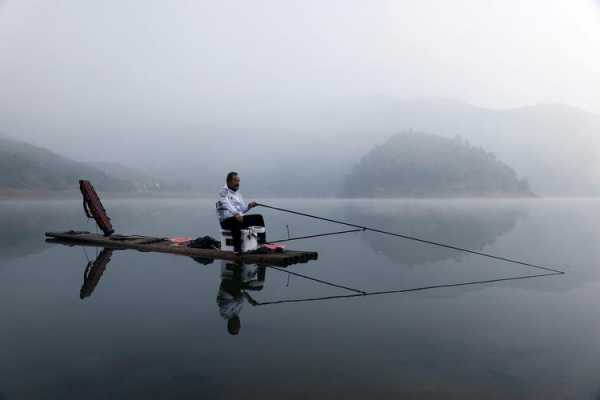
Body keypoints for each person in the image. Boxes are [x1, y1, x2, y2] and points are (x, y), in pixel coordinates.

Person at [216, 171, 266, 253]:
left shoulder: (238, 194)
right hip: (226, 221)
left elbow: (242, 210)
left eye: (238, 181)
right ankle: (237, 249)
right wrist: (236, 213)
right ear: (228, 181)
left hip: (238, 219)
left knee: (259, 218)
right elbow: (226, 204)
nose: (238, 183)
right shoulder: (223, 192)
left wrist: (249, 206)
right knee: (235, 221)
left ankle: (261, 243)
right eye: (235, 180)